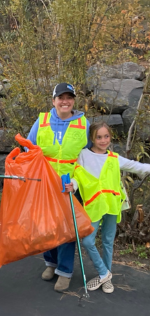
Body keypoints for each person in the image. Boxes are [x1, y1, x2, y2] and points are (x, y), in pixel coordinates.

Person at [69, 121, 150, 293]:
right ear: (92, 138)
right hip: (94, 206)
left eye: (106, 136)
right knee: (88, 241)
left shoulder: (114, 158)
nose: (103, 140)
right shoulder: (84, 155)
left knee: (107, 241)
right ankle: (104, 272)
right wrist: (73, 185)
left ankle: (106, 278)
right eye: (99, 137)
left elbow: (135, 166)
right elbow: (78, 176)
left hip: (112, 206)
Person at [26, 83, 91, 292]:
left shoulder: (83, 123)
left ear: (73, 100)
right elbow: (29, 146)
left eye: (69, 97)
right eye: (60, 97)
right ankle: (50, 263)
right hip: (45, 184)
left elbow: (90, 154)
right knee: (47, 227)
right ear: (53, 100)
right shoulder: (42, 120)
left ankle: (64, 272)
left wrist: (79, 180)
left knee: (67, 230)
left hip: (70, 185)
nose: (65, 101)